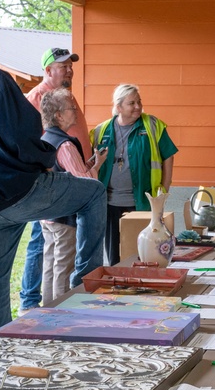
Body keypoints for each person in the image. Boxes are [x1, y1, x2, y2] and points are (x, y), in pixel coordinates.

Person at [0, 17, 107, 338]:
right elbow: (23, 134)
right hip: (17, 191)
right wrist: (47, 161)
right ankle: (85, 283)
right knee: (93, 192)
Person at [19, 47, 93, 311]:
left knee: (51, 252)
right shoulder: (36, 98)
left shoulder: (65, 96)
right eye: (63, 66)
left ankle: (46, 307)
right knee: (47, 249)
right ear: (48, 70)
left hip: (71, 181)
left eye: (71, 66)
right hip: (55, 191)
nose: (70, 70)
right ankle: (31, 302)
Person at [91, 84, 177, 265]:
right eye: (132, 103)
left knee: (143, 254)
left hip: (142, 202)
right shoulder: (101, 130)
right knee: (114, 254)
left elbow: (168, 155)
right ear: (119, 106)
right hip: (109, 203)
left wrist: (165, 188)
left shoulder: (153, 125)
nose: (138, 106)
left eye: (139, 101)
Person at [38, 88, 108, 304]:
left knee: (49, 263)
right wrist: (97, 168)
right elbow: (84, 184)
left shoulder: (46, 138)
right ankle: (60, 310)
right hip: (65, 216)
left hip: (46, 214)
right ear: (59, 115)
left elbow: (69, 171)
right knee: (63, 266)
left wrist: (91, 164)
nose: (76, 111)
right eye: (71, 108)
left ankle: (47, 308)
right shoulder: (66, 144)